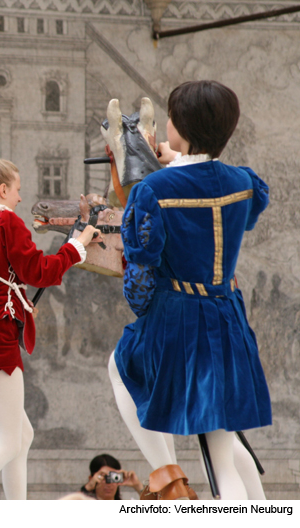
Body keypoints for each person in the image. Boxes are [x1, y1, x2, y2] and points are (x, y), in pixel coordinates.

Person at [109, 80, 271, 500]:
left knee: (120, 364)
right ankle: (255, 509)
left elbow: (141, 276)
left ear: (179, 124)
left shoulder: (153, 191)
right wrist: (180, 159)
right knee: (221, 444)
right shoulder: (243, 182)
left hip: (178, 321)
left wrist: (143, 309)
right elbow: (221, 192)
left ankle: (166, 473)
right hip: (227, 318)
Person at [0, 159, 100, 500]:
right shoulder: (5, 221)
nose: (19, 197)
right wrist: (77, 246)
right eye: (16, 189)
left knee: (21, 436)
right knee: (7, 442)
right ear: (2, 190)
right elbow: (38, 272)